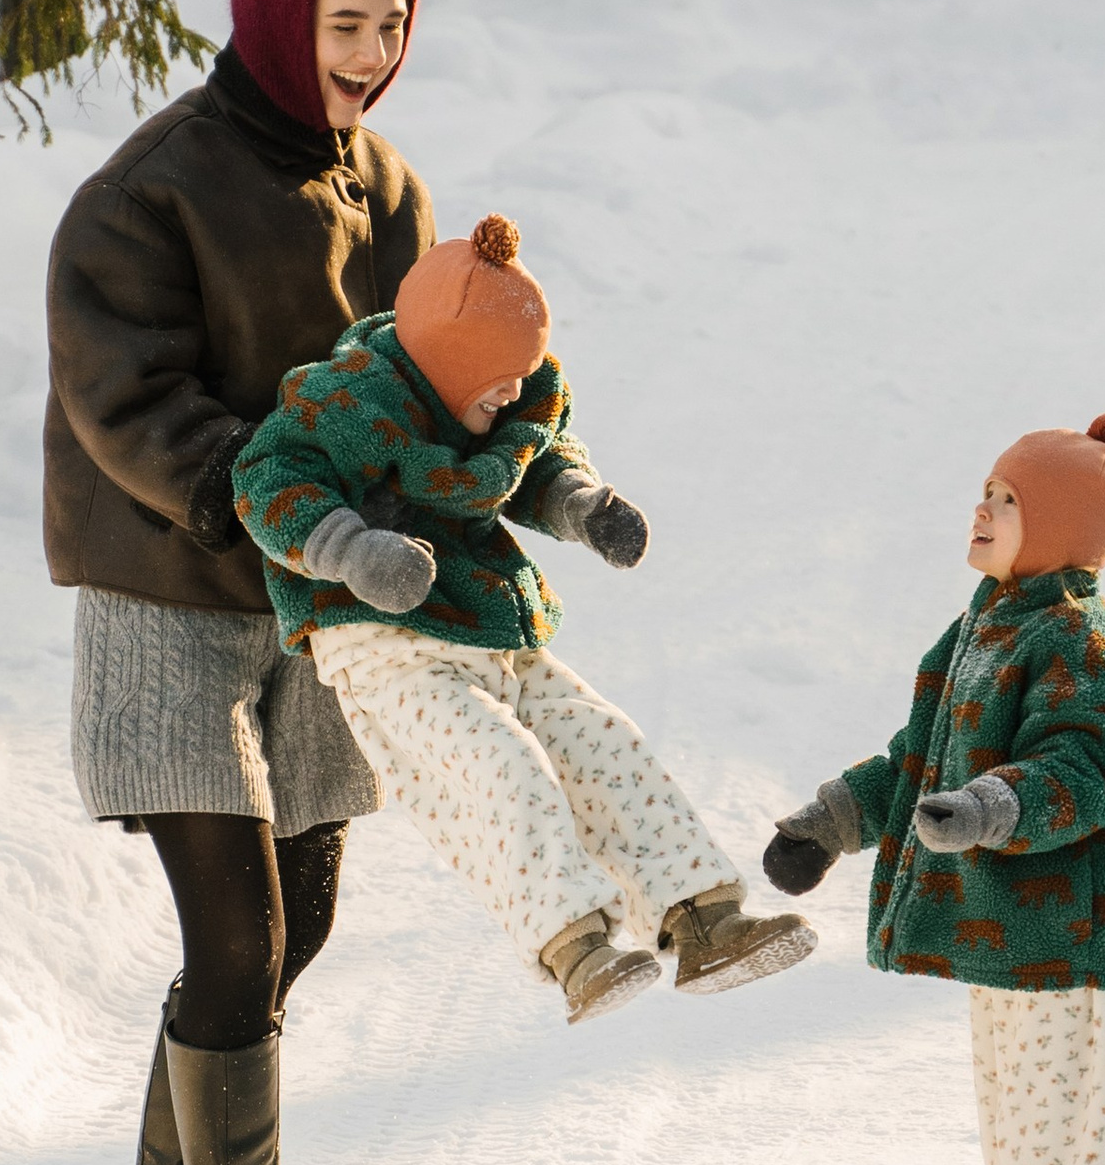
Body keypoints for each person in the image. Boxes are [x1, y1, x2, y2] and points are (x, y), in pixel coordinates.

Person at [43, 0, 432, 1165]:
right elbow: (123, 397)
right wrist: (259, 500)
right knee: (236, 933)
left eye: (391, 29)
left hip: (316, 609)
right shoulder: (150, 193)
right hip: (173, 594)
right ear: (280, 20)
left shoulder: (387, 191)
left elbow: (423, 379)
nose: (370, 54)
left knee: (296, 927)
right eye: (346, 26)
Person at [234, 210, 815, 1032]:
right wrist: (352, 550)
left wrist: (584, 508)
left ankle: (702, 917)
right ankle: (575, 945)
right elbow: (267, 476)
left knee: (602, 741)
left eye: (521, 374)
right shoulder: (349, 401)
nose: (512, 393)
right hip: (382, 643)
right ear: (444, 363)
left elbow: (540, 461)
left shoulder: (510, 401)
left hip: (486, 622)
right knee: (499, 766)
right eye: (494, 378)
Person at [762, 417, 1105, 1165]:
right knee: (1015, 1094)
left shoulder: (1074, 641)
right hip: (1000, 923)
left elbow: (1086, 771)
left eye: (1010, 501)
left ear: (1060, 526)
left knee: (1065, 1089)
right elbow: (920, 760)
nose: (983, 509)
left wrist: (990, 808)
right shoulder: (982, 629)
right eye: (987, 491)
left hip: (1063, 927)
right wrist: (828, 824)